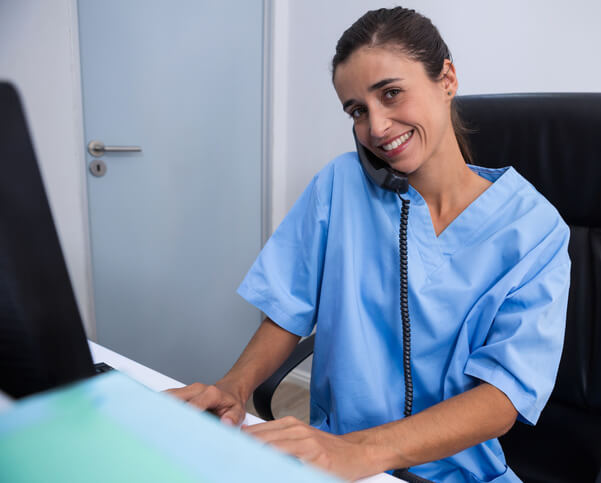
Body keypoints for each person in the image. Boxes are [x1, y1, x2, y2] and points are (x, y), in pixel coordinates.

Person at [169, 7, 570, 482]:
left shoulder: (534, 230)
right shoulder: (339, 184)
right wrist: (235, 387)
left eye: (391, 94)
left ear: (447, 79)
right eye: (358, 110)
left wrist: (360, 452)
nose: (376, 128)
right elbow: (286, 309)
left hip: (455, 472)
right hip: (334, 459)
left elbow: (503, 396)